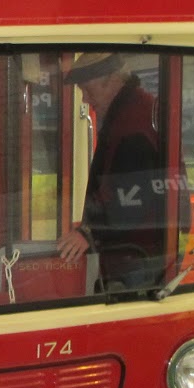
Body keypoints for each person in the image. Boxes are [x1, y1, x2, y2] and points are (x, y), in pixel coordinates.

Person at [56, 51, 167, 290]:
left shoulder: (133, 125)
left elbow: (130, 201)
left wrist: (89, 232)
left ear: (112, 80)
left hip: (136, 257)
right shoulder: (132, 111)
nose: (85, 99)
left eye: (88, 90)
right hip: (139, 253)